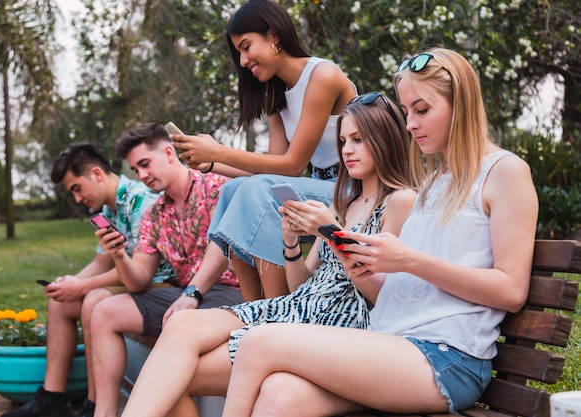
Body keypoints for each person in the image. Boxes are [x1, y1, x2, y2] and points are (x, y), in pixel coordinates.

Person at [217, 47, 540, 417]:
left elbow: (512, 291)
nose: (410, 124)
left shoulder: (504, 172)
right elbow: (395, 288)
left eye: (422, 110)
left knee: (260, 343)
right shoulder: (433, 184)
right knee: (278, 393)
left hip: (446, 357)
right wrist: (355, 254)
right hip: (392, 340)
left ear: (461, 105)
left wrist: (410, 261)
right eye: (406, 112)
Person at [119, 92, 416, 417]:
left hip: (339, 326)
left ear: (384, 138)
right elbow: (304, 285)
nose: (347, 150)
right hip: (298, 307)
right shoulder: (343, 202)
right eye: (343, 140)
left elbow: (384, 296)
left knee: (177, 377)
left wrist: (332, 233)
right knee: (182, 326)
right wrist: (290, 243)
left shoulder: (401, 201)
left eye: (358, 139)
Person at [171, 0, 357, 300]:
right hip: (323, 187)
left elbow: (293, 165)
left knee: (257, 191)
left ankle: (277, 307)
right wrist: (208, 164)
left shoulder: (323, 75)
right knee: (235, 191)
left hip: (352, 189)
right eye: (238, 53)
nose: (243, 61)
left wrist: (217, 152)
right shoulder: (277, 97)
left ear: (273, 36)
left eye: (246, 47)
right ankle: (252, 306)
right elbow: (271, 166)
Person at [2, 143, 173, 417]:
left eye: (76, 189)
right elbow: (101, 263)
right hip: (134, 283)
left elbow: (141, 271)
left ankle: (94, 407)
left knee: (93, 300)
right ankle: (53, 399)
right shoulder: (107, 211)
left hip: (160, 283)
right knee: (62, 303)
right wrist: (69, 283)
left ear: (96, 174)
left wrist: (81, 286)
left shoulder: (142, 201)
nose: (78, 199)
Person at [88, 123, 244, 417]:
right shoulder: (154, 214)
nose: (143, 175)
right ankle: (104, 412)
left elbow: (264, 180)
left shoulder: (215, 185)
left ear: (169, 152)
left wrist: (190, 295)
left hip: (232, 294)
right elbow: (138, 281)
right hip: (186, 299)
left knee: (170, 349)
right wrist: (119, 255)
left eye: (145, 164)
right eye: (136, 170)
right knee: (103, 311)